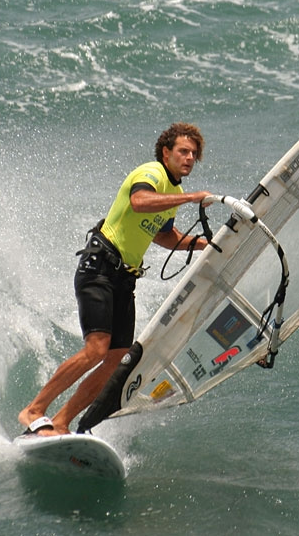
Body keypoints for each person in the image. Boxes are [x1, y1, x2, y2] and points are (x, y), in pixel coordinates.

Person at [17, 122, 212, 436]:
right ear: (166, 153)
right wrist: (190, 199)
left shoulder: (173, 192)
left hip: (125, 280)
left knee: (116, 360)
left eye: (193, 154)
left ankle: (62, 422)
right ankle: (33, 410)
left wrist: (207, 244)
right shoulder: (152, 173)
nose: (189, 158)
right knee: (96, 349)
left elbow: (164, 236)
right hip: (100, 268)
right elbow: (139, 202)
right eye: (183, 151)